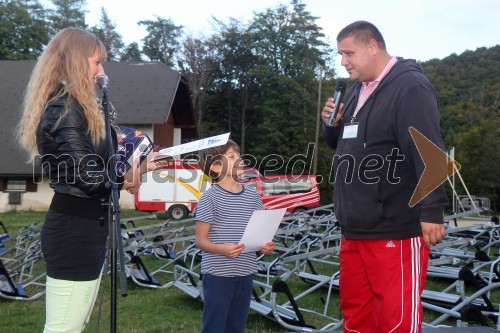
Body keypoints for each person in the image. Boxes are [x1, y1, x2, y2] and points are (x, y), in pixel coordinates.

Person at [17, 27, 164, 333]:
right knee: (64, 327)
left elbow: (97, 169)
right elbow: (89, 177)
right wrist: (127, 179)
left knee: (74, 323)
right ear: (73, 61)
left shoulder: (78, 106)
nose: (102, 70)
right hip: (75, 232)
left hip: (87, 227)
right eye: (97, 62)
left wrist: (135, 170)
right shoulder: (65, 108)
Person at [321, 21, 448, 332]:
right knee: (357, 319)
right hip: (355, 229)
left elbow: (430, 154)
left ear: (373, 46)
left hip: (396, 229)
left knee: (396, 322)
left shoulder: (409, 87)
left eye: (348, 53)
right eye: (340, 54)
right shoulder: (356, 90)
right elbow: (342, 144)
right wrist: (332, 125)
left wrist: (432, 211)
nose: (343, 61)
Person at [195, 139, 276, 333]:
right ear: (215, 167)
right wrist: (221, 249)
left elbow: (259, 231)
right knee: (215, 326)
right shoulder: (209, 198)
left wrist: (264, 245)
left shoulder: (252, 195)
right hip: (217, 275)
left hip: (245, 272)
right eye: (231, 156)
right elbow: (200, 240)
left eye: (238, 154)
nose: (239, 159)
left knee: (237, 325)